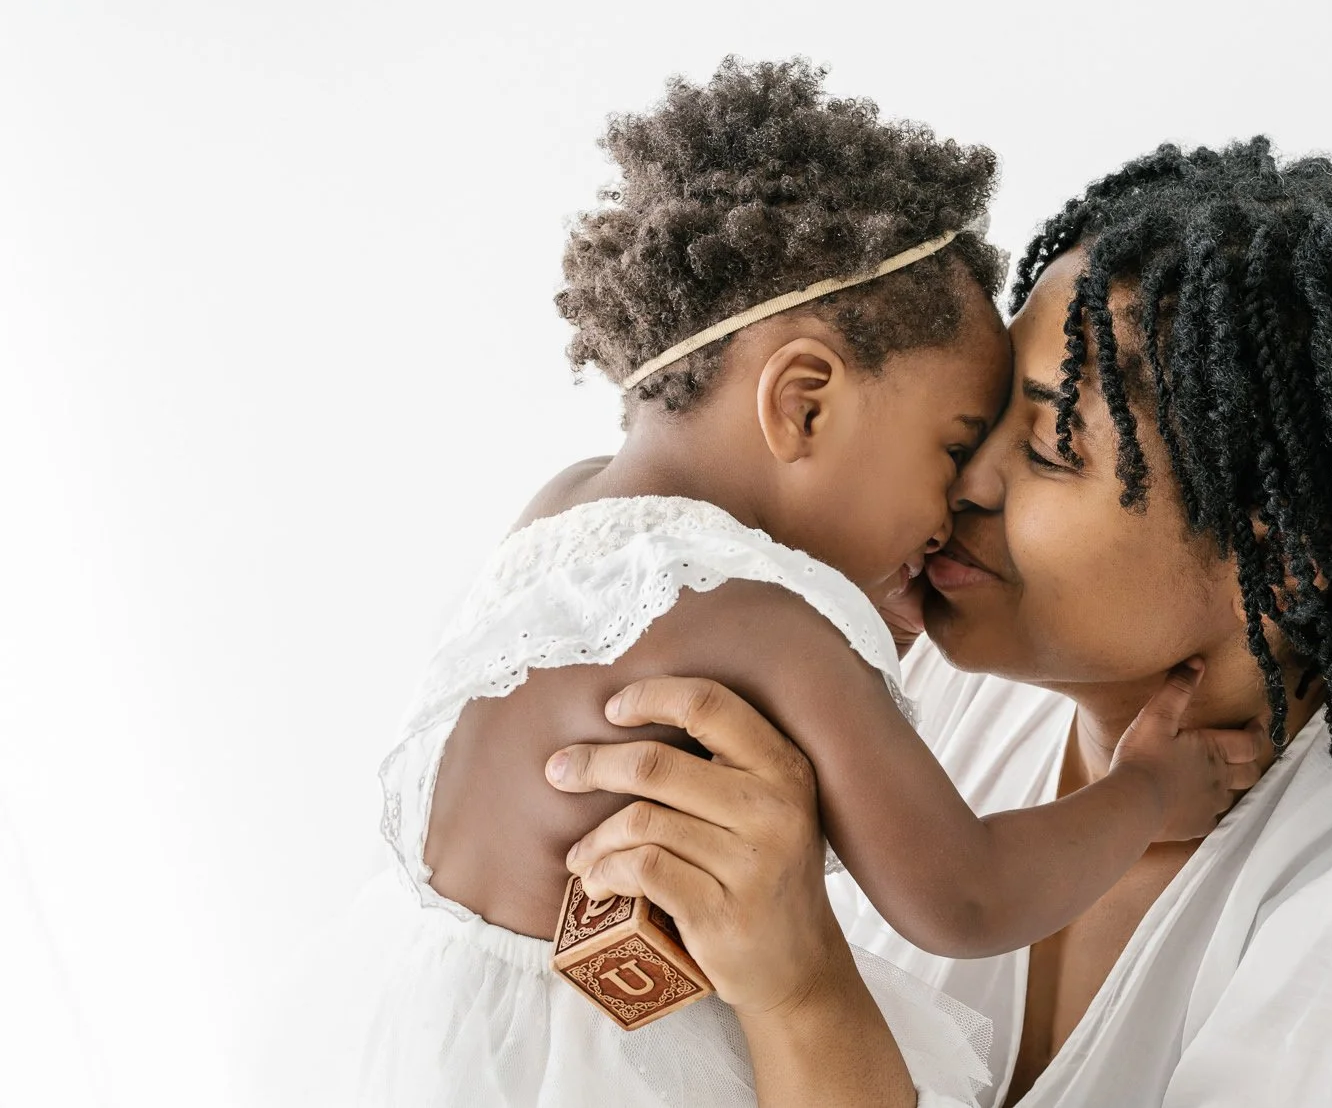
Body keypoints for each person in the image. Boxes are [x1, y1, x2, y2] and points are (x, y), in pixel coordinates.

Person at [556, 137, 1332, 1105]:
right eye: (978, 416)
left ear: (1280, 554)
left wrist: (800, 995)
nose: (965, 476)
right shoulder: (911, 693)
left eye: (1051, 446)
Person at [351, 63, 1268, 1108]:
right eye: (954, 443)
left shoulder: (561, 513)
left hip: (448, 1046)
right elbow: (962, 897)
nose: (963, 497)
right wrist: (1146, 790)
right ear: (804, 405)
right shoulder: (774, 625)